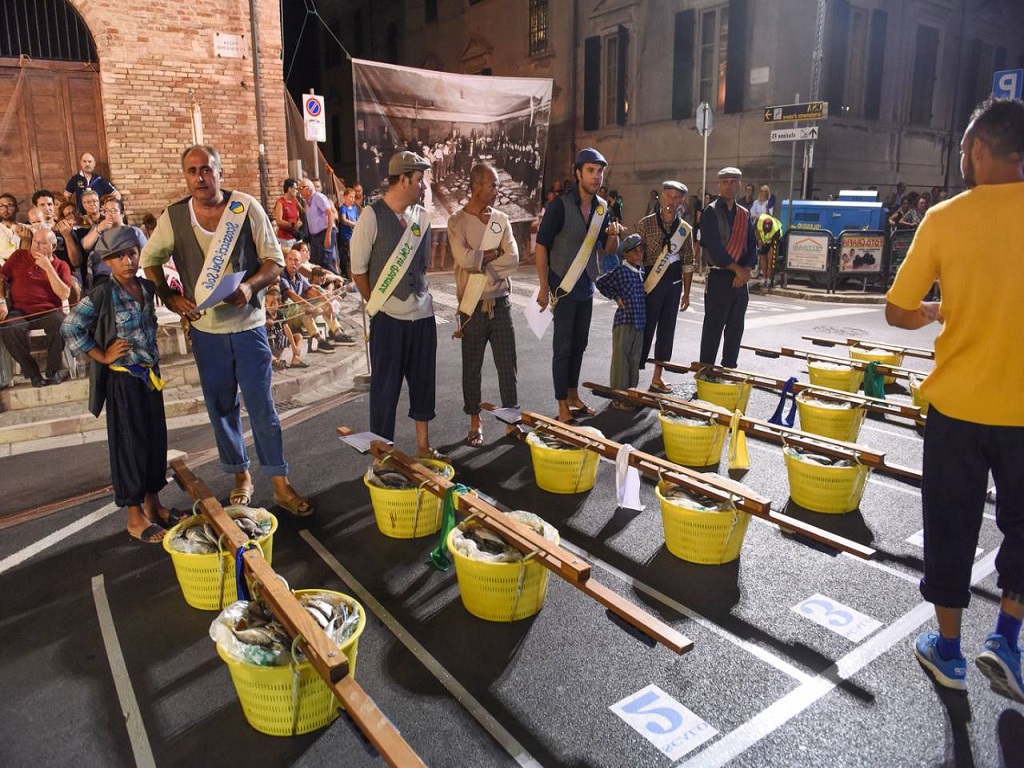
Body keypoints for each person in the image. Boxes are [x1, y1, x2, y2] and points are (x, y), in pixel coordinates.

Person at [887, 98, 1024, 704]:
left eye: (968, 148)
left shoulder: (944, 218)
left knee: (951, 527)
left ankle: (949, 651)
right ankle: (1007, 640)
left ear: (979, 149)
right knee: (1022, 527)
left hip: (958, 407)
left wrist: (936, 311)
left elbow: (897, 309)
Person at [140, 144, 313, 517]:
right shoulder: (174, 217)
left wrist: (251, 287)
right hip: (206, 333)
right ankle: (241, 476)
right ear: (185, 176)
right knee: (221, 409)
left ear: (219, 172)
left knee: (262, 406)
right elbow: (150, 260)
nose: (200, 177)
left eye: (207, 169)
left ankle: (280, 482)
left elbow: (275, 261)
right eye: (192, 171)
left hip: (248, 327)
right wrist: (170, 297)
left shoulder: (245, 207)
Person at [60, 226, 179, 543]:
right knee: (130, 446)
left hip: (149, 378)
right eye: (117, 256)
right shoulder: (102, 293)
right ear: (107, 261)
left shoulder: (146, 287)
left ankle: (154, 505)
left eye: (131, 253)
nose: (127, 261)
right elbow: (70, 327)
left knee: (155, 440)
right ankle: (134, 516)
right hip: (123, 381)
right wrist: (101, 354)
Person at [350, 150, 445, 458]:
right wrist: (376, 301)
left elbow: (423, 266)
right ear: (403, 179)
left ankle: (423, 446)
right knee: (384, 390)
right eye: (419, 179)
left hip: (422, 315)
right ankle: (382, 453)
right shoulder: (371, 216)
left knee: (423, 383)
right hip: (388, 319)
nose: (423, 186)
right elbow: (358, 269)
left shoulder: (421, 217)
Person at [535, 147, 624, 424]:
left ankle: (573, 395)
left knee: (579, 344)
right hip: (562, 285)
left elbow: (608, 250)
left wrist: (615, 235)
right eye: (590, 171)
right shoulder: (559, 206)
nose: (596, 177)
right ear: (578, 172)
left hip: (586, 287)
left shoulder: (602, 207)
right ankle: (562, 403)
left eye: (600, 172)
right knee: (562, 346)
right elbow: (541, 247)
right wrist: (541, 286)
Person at [448, 163, 520, 446]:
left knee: (507, 365)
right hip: (472, 305)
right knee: (472, 368)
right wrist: (493, 252)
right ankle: (475, 423)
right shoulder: (456, 222)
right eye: (492, 184)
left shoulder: (501, 219)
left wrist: (484, 268)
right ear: (476, 187)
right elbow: (463, 260)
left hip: (500, 303)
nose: (497, 189)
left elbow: (513, 258)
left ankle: (512, 421)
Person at [633, 180, 695, 393]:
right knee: (645, 327)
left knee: (667, 330)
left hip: (674, 283)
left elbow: (688, 262)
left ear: (682, 201)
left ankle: (657, 377)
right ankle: (633, 374)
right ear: (661, 196)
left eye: (677, 197)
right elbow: (634, 258)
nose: (672, 201)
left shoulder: (685, 230)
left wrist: (687, 293)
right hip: (650, 282)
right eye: (669, 196)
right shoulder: (645, 224)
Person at [698, 167, 756, 369]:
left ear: (739, 185)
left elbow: (752, 245)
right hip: (719, 278)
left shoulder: (744, 214)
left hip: (740, 281)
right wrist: (737, 270)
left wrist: (745, 270)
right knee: (713, 329)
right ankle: (706, 372)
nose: (729, 186)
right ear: (719, 185)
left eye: (733, 182)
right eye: (725, 182)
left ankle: (729, 370)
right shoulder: (710, 212)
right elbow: (714, 248)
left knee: (735, 329)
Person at [0, 226, 73, 386]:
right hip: (19, 311)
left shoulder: (61, 266)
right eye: (34, 242)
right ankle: (33, 373)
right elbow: (1, 277)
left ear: (53, 247)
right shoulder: (19, 256)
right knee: (8, 328)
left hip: (49, 312)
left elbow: (64, 294)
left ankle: (53, 371)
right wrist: (2, 302)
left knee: (61, 323)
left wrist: (48, 268)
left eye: (41, 243)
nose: (36, 246)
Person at [595, 233, 646, 408]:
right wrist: (615, 296)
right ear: (625, 254)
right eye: (634, 251)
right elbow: (601, 282)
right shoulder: (621, 270)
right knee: (620, 362)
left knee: (634, 360)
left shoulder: (641, 272)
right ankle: (618, 397)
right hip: (624, 322)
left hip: (639, 323)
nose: (639, 254)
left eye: (641, 250)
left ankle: (631, 395)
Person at [299, 178, 339, 274]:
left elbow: (330, 214)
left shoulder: (318, 197)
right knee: (316, 262)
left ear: (308, 189)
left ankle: (341, 281)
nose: (300, 191)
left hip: (325, 232)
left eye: (301, 188)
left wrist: (328, 235)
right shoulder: (307, 202)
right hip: (315, 236)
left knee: (325, 262)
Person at [264, 284, 305, 371]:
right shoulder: (264, 315)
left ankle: (295, 359)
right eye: (267, 302)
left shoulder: (280, 314)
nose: (269, 305)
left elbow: (286, 328)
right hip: (268, 343)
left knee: (298, 337)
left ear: (279, 304)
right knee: (262, 345)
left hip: (278, 341)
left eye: (273, 303)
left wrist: (294, 347)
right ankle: (275, 361)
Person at [754, 212, 782, 290]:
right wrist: (759, 240)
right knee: (762, 258)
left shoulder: (775, 230)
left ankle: (769, 279)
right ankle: (764, 278)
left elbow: (772, 248)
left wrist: (767, 244)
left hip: (773, 241)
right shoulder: (759, 221)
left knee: (770, 261)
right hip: (763, 239)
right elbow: (756, 230)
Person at [272, 178, 302, 250]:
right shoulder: (281, 202)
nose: (297, 191)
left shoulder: (295, 200)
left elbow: (301, 212)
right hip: (285, 239)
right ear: (290, 189)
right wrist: (291, 225)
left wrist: (299, 222)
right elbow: (278, 221)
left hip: (295, 236)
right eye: (295, 188)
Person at [338, 187, 359, 279]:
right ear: (345, 197)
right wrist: (354, 224)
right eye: (350, 197)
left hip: (354, 236)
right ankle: (349, 277)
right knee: (347, 258)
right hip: (346, 237)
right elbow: (343, 220)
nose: (352, 199)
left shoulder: (354, 208)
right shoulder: (343, 208)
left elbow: (357, 219)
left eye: (353, 197)